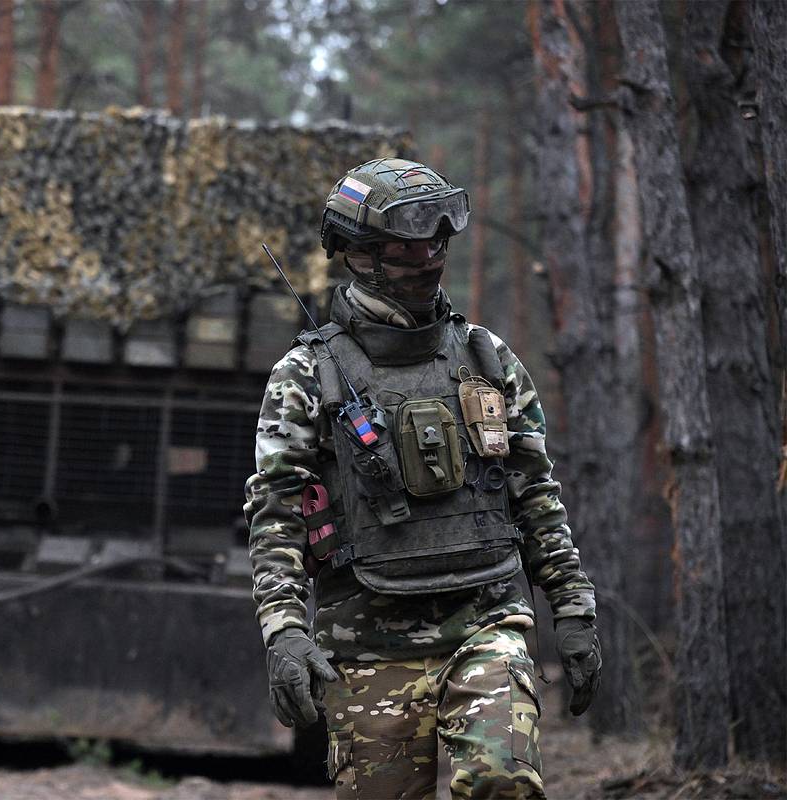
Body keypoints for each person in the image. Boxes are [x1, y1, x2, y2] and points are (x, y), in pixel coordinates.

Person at [245, 158, 601, 799]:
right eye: (407, 241)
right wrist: (285, 631)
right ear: (359, 253)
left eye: (439, 238)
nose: (428, 255)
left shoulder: (487, 360)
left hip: (486, 618)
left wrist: (572, 609)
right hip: (367, 640)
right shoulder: (306, 377)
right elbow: (276, 512)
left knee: (502, 780)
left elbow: (536, 496)